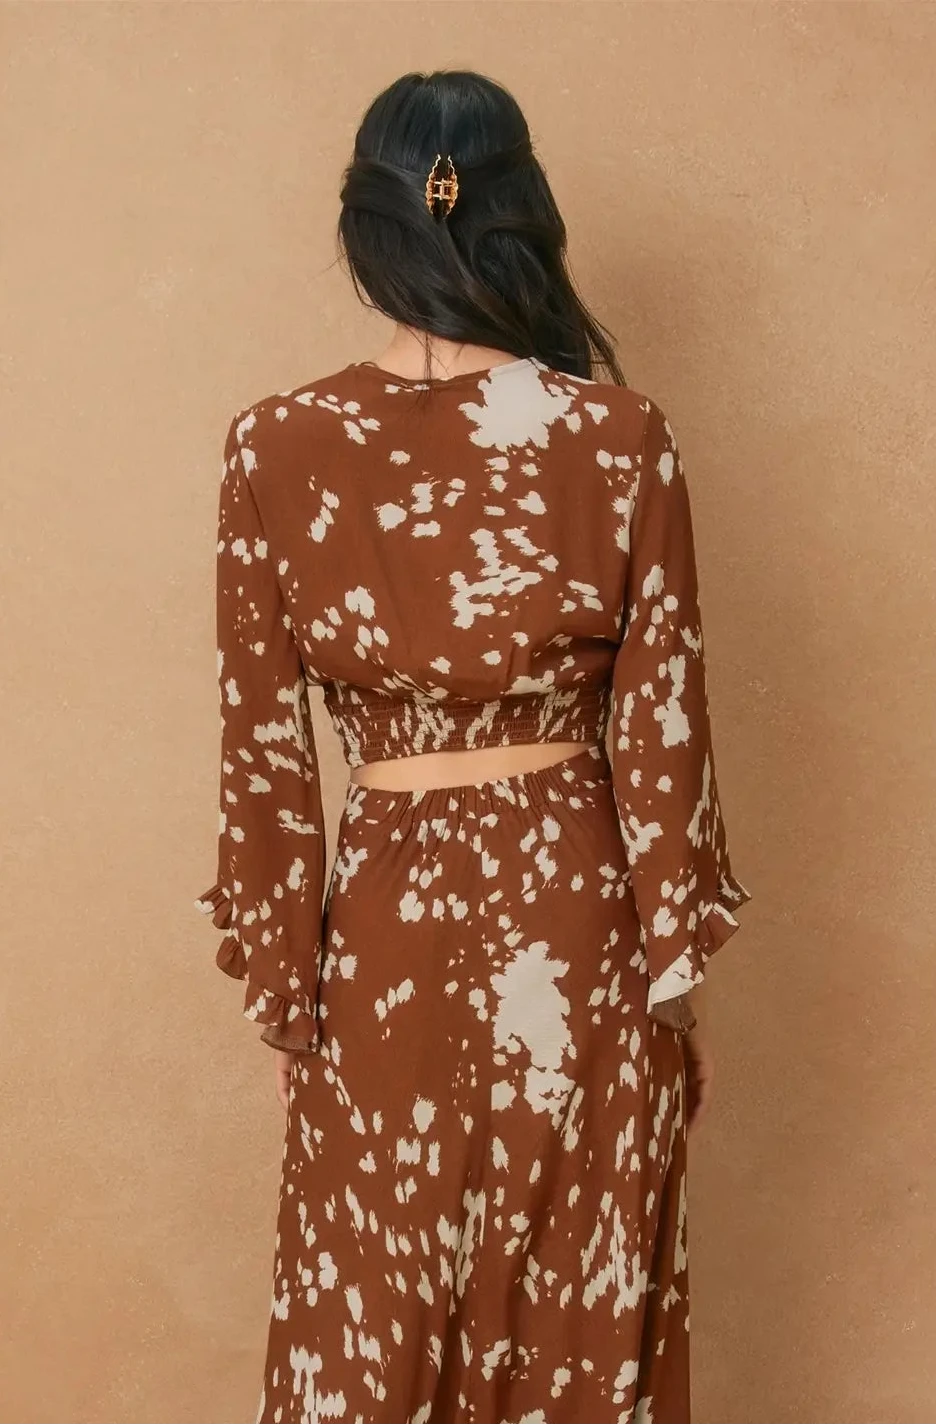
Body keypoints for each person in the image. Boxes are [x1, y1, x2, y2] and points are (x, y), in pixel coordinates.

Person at [197, 69, 749, 1425]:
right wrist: (671, 980)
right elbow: (662, 731)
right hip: (580, 923)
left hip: (380, 933)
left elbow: (263, 754)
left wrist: (287, 988)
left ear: (364, 227)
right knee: (579, 1297)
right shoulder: (620, 442)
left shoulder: (277, 446)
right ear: (524, 221)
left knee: (367, 1304)